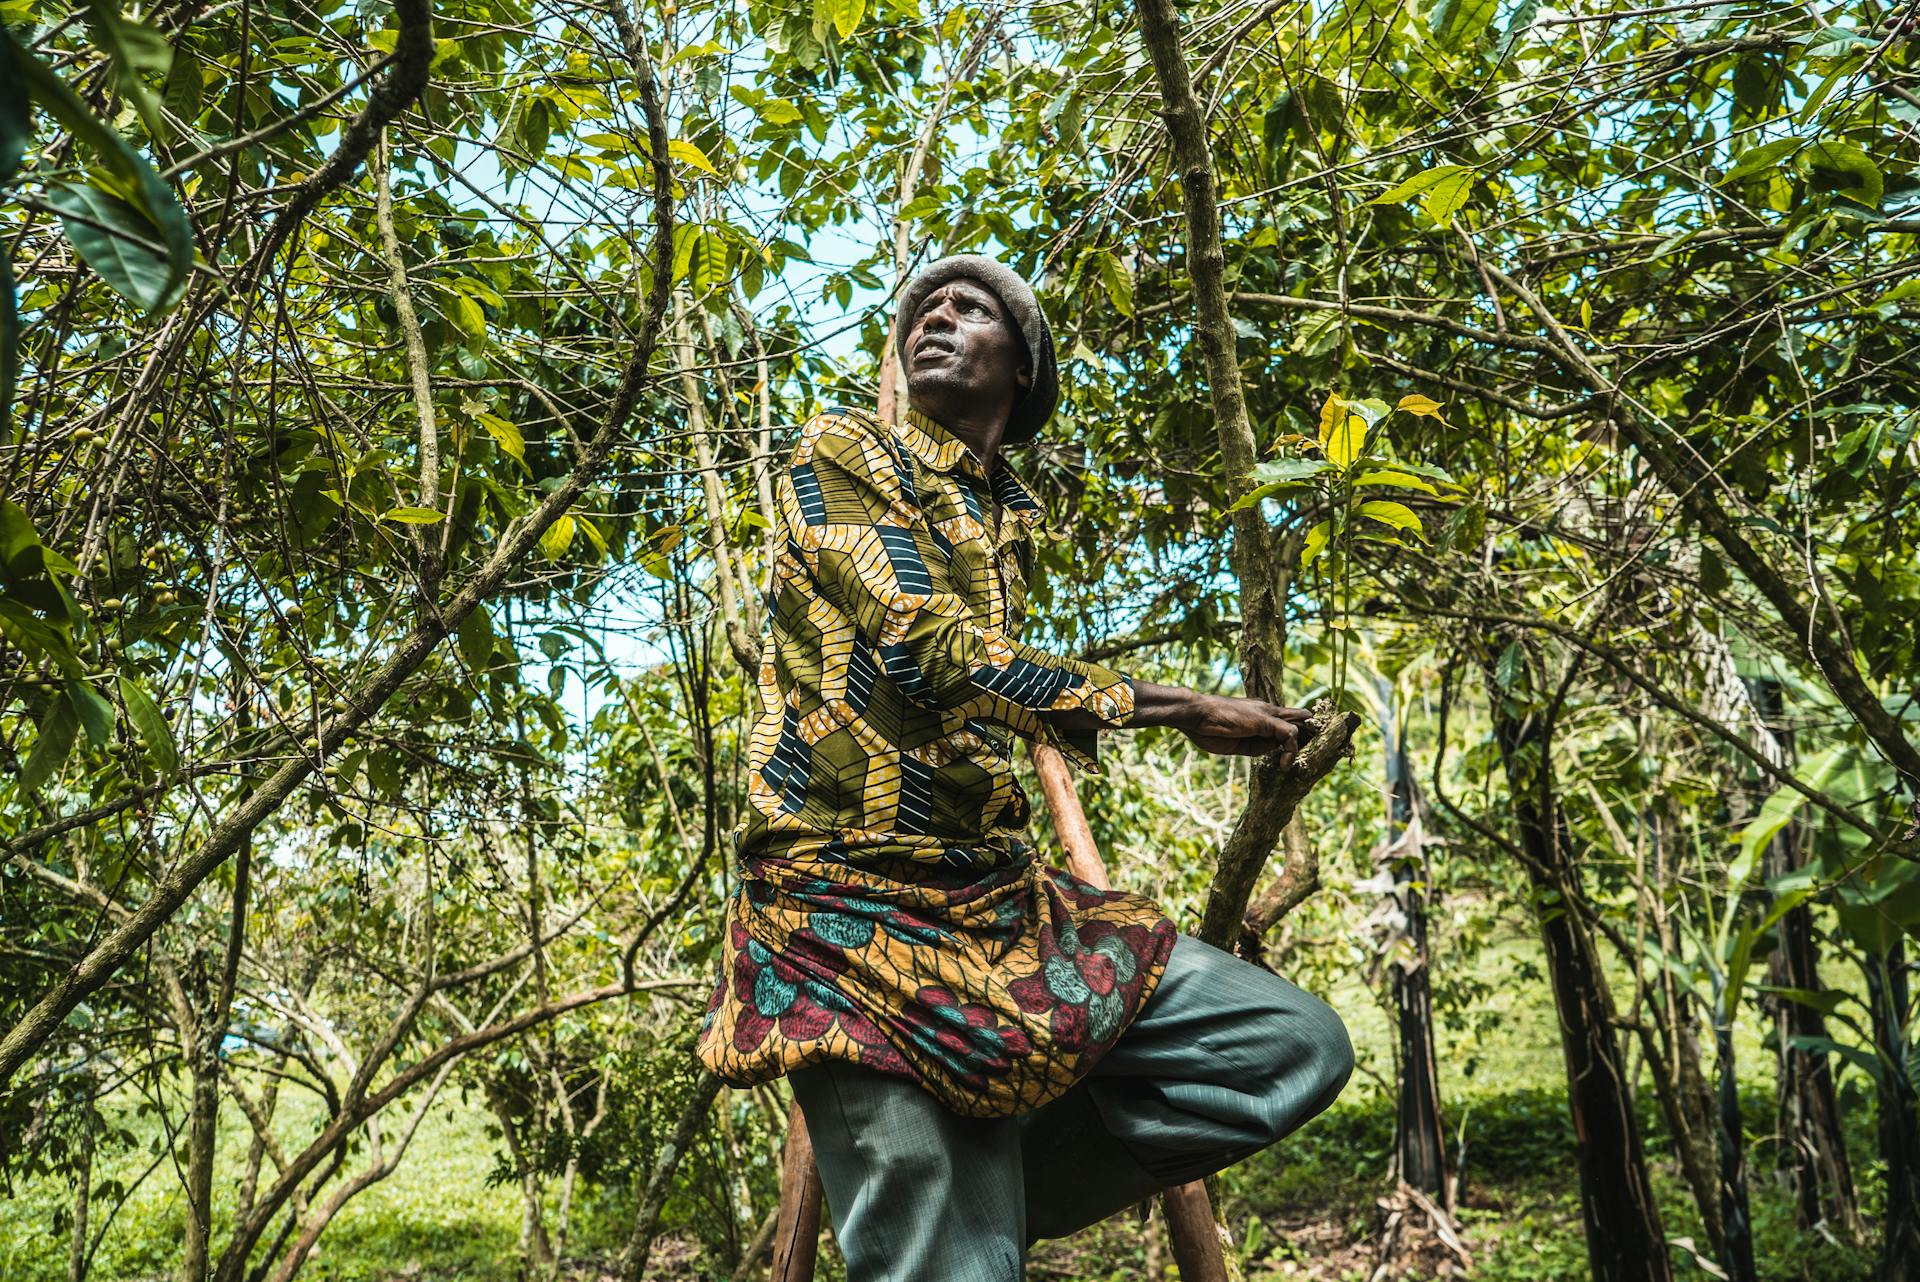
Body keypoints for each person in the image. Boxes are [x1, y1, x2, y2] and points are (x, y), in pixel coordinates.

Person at [694, 254, 1354, 1280]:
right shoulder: (844, 448)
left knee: (1289, 1044)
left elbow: (984, 679)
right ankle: (953, 1240)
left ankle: (982, 1213)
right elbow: (929, 646)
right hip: (846, 917)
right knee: (949, 1263)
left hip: (995, 906)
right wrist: (1169, 705)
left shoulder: (1009, 522)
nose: (935, 318)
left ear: (1024, 366)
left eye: (969, 307)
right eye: (922, 309)